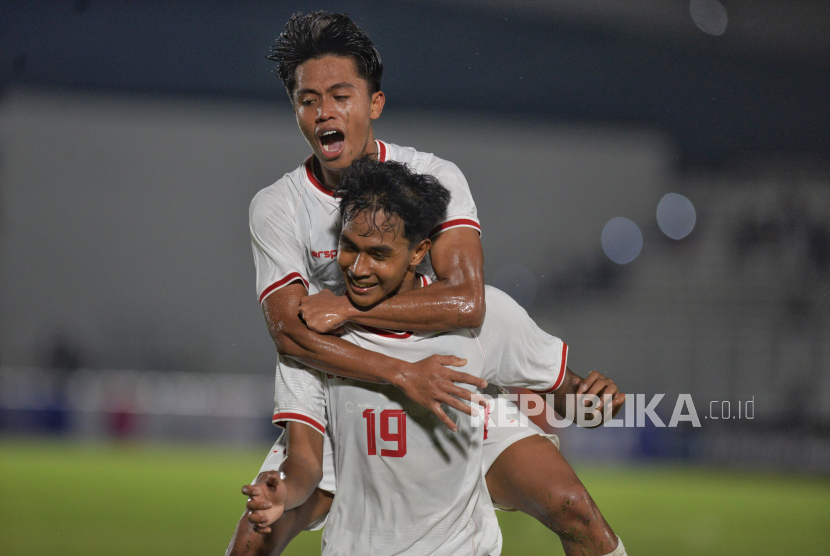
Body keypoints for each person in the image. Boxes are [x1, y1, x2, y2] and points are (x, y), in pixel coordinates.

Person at [226, 11, 625, 556]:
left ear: (375, 103)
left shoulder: (432, 179)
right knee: (257, 535)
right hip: (344, 393)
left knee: (575, 509)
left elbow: (466, 301)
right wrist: (397, 371)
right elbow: (292, 336)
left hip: (444, 387)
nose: (323, 113)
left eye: (340, 96)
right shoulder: (278, 205)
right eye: (307, 100)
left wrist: (345, 309)